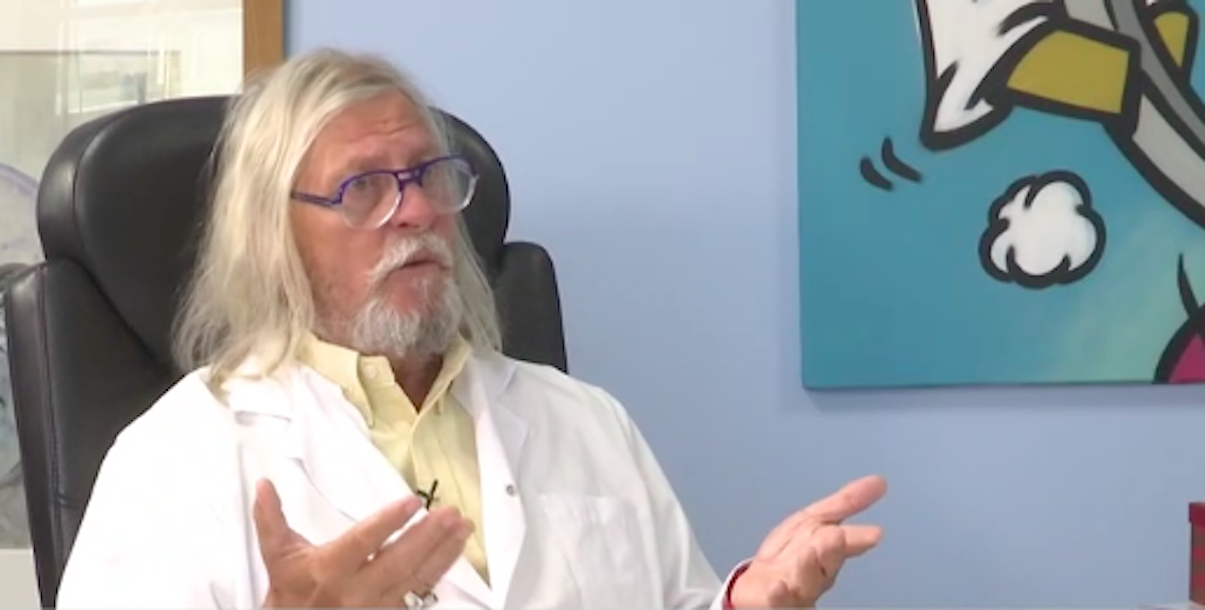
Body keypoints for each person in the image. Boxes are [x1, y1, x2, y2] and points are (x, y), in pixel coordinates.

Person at [54, 48, 888, 609]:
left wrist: (742, 604)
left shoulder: (583, 421)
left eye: (429, 176)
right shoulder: (181, 459)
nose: (416, 210)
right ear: (274, 235)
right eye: (363, 189)